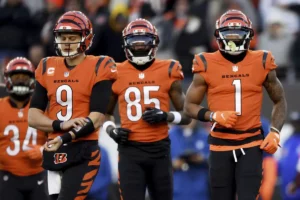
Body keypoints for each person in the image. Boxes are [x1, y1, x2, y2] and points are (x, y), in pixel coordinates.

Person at [184, 9, 287, 200]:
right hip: (219, 146)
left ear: (249, 36)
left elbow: (279, 100)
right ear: (218, 37)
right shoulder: (206, 62)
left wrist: (275, 131)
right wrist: (213, 115)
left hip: (251, 144)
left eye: (239, 36)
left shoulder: (262, 60)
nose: (233, 42)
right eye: (228, 37)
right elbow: (189, 106)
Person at [28, 11, 116, 200]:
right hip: (54, 148)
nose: (67, 42)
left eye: (72, 37)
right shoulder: (46, 66)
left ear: (86, 38)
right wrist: (60, 125)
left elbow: (97, 117)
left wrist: (66, 136)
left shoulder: (100, 65)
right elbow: (33, 116)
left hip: (83, 149)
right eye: (63, 37)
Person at [103, 18, 191, 200]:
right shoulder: (115, 71)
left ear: (154, 43)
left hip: (160, 150)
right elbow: (105, 114)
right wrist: (111, 131)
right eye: (135, 43)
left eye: (145, 42)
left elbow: (188, 114)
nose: (140, 47)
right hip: (129, 150)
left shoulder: (168, 69)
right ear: (126, 45)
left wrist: (166, 116)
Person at [0, 57, 48, 200]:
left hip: (39, 174)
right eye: (16, 77)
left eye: (24, 77)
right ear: (8, 80)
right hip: (7, 175)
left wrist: (43, 149)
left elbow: (60, 139)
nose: (20, 81)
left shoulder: (44, 106)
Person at [170, 119, 210, 200]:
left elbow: (215, 161)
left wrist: (202, 158)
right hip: (177, 187)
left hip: (200, 188)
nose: (188, 120)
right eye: (185, 117)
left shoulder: (204, 136)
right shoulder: (170, 136)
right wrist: (172, 164)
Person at [279, 111, 300, 200]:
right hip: (285, 182)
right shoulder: (288, 141)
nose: (296, 126)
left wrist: (296, 183)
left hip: (297, 183)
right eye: (293, 123)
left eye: (298, 123)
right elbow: (281, 161)